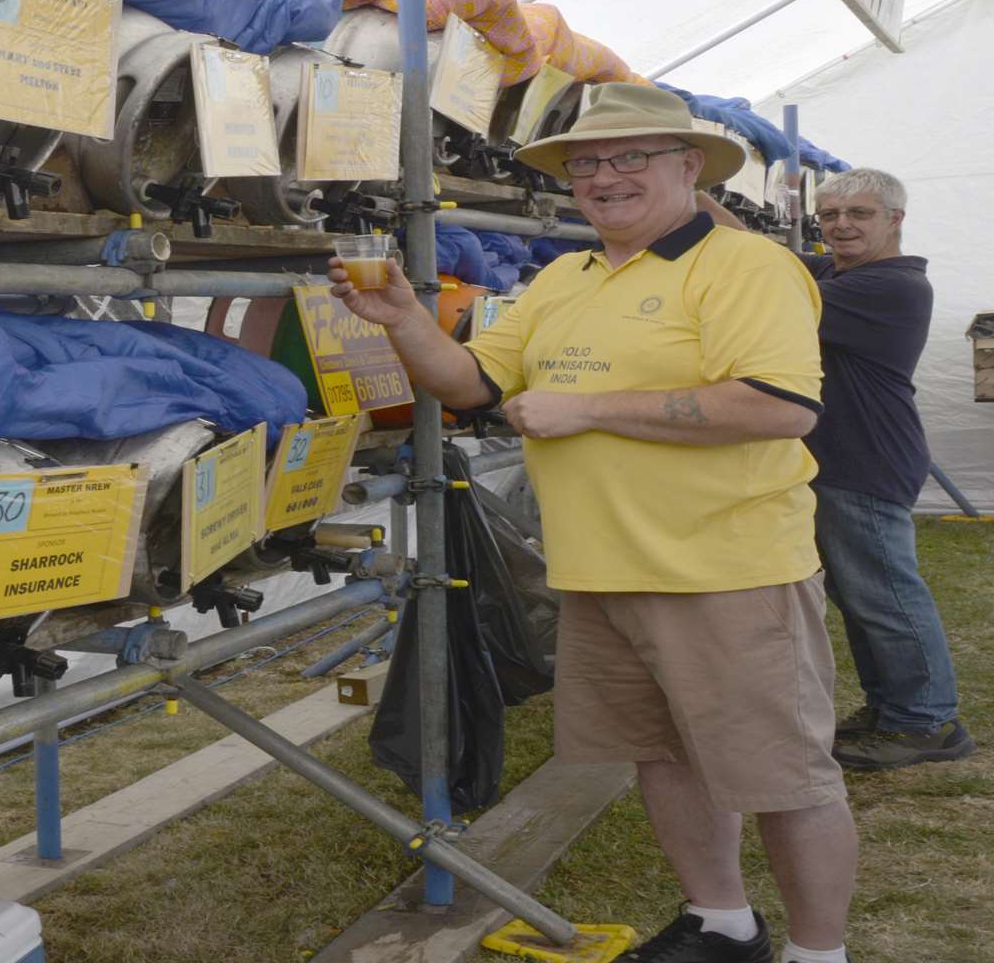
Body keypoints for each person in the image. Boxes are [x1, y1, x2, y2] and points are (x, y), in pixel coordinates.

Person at [331, 83, 855, 963]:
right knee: (658, 752)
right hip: (596, 568)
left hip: (726, 572)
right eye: (586, 164)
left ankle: (818, 952)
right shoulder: (560, 280)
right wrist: (406, 321)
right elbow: (471, 385)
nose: (604, 177)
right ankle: (721, 922)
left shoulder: (747, 267)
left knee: (784, 778)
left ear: (689, 166)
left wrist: (590, 410)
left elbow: (777, 407)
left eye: (629, 158)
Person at [700, 170, 971, 770]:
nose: (842, 225)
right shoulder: (833, 272)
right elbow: (752, 248)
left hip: (865, 458)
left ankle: (928, 720)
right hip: (842, 456)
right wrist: (693, 189)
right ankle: (892, 709)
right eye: (830, 215)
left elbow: (769, 288)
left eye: (860, 214)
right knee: (859, 594)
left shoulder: (894, 286)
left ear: (895, 220)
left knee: (886, 595)